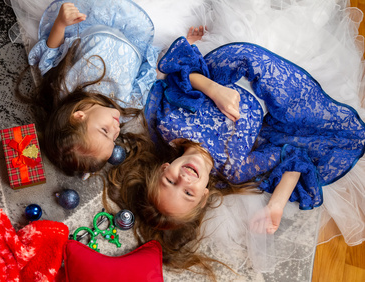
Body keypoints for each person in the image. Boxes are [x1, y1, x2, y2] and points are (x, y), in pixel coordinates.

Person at [106, 16, 365, 278]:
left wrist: (214, 90)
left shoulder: (169, 125)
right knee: (321, 120)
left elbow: (177, 77)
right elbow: (294, 158)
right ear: (204, 195)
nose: (183, 179)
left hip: (227, 64)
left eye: (171, 182)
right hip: (272, 95)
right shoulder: (236, 168)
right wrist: (275, 204)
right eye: (188, 193)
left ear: (164, 168)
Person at [18, 0, 159, 176]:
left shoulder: (66, 88)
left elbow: (50, 56)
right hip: (135, 36)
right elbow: (147, 77)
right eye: (114, 139)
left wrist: (61, 22)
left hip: (96, 20)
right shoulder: (125, 108)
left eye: (105, 131)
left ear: (78, 116)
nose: (116, 130)